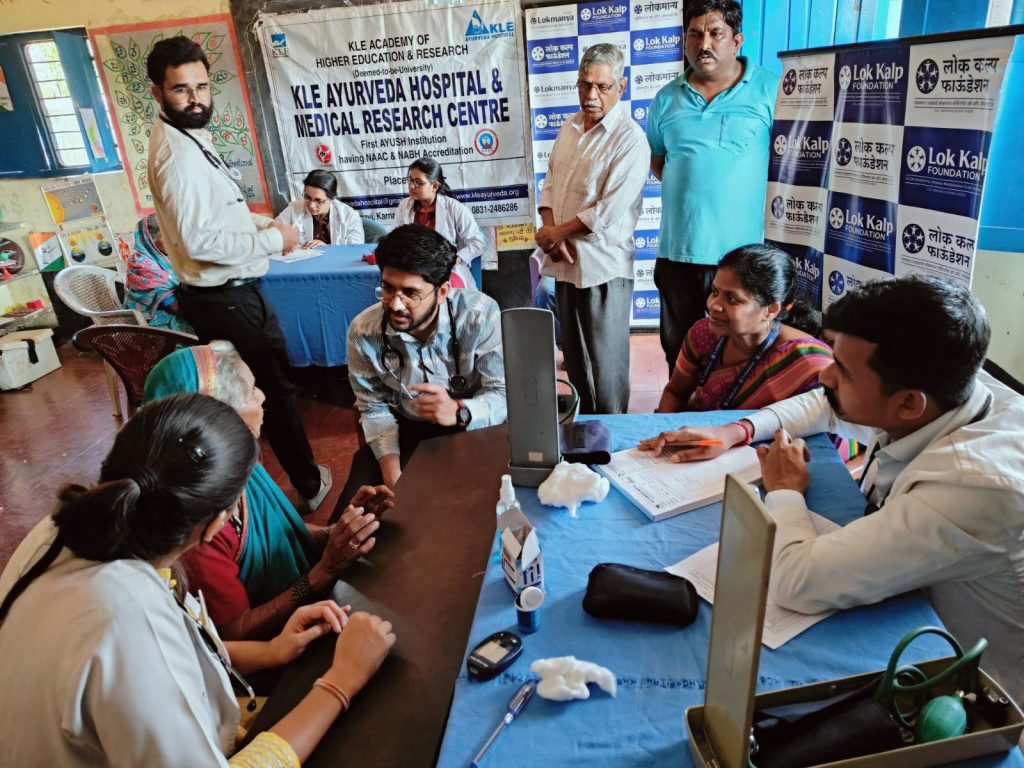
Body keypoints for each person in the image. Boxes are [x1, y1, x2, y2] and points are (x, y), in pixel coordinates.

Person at [642, 276, 1024, 703]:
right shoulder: (952, 389)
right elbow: (825, 405)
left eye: (842, 370)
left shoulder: (972, 488)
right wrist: (738, 430)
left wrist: (784, 490)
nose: (824, 374)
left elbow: (796, 582)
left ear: (909, 404)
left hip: (975, 695)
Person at [0, 393, 396, 767]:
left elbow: (182, 644)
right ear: (216, 526)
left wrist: (273, 650)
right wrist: (341, 682)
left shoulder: (59, 529)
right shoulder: (129, 623)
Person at [146, 36, 332, 513]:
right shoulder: (177, 159)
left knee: (265, 390)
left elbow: (220, 216)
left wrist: (264, 223)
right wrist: (275, 241)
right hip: (224, 298)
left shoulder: (191, 136)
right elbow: (198, 243)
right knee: (269, 395)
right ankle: (307, 488)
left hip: (234, 292)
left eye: (202, 87)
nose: (196, 99)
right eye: (181, 90)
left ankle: (275, 489)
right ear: (157, 93)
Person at [143, 342, 394, 640]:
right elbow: (235, 633)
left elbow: (274, 529)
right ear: (223, 418)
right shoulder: (196, 529)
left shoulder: (235, 458)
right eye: (251, 392)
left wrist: (334, 531)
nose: (261, 397)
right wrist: (325, 570)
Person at [646, 0, 779, 371]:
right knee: (680, 353)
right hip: (677, 254)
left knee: (739, 357)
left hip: (742, 258)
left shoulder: (771, 89)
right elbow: (660, 161)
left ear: (737, 40)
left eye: (715, 33)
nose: (703, 43)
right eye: (694, 34)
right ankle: (680, 423)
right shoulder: (666, 98)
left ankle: (731, 427)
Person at [343, 224, 506, 508]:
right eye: (387, 288)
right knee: (360, 522)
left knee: (484, 514)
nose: (395, 305)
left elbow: (503, 393)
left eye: (410, 293)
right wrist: (394, 478)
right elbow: (374, 408)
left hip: (476, 429)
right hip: (405, 434)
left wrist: (459, 411)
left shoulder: (480, 316)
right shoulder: (363, 332)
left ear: (443, 291)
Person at [536, 43, 650, 414]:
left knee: (606, 368)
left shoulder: (629, 138)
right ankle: (582, 432)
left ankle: (614, 441)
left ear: (622, 87)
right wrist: (552, 234)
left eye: (602, 87)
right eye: (585, 85)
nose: (591, 95)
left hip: (604, 267)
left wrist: (559, 234)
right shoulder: (569, 128)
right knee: (575, 358)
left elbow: (609, 211)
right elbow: (550, 184)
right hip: (566, 262)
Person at [652, 243, 832, 414]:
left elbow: (833, 435)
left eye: (732, 299)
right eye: (715, 292)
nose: (714, 305)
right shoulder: (702, 334)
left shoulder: (808, 363)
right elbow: (675, 393)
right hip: (707, 441)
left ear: (770, 310)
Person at [393, 156, 486, 289]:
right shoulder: (404, 206)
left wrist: (455, 259)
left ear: (434, 186)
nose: (412, 186)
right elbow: (394, 239)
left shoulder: (454, 208)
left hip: (447, 272)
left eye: (418, 182)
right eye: (410, 181)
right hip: (414, 271)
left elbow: (478, 243)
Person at [122, 213, 194, 333]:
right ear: (150, 238)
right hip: (153, 324)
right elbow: (174, 307)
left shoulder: (161, 257)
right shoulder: (143, 264)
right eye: (166, 236)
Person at [275, 169, 364, 248]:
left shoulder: (350, 216)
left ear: (332, 199)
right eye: (307, 197)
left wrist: (327, 249)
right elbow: (273, 233)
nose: (311, 205)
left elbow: (355, 250)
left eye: (318, 200)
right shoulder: (294, 208)